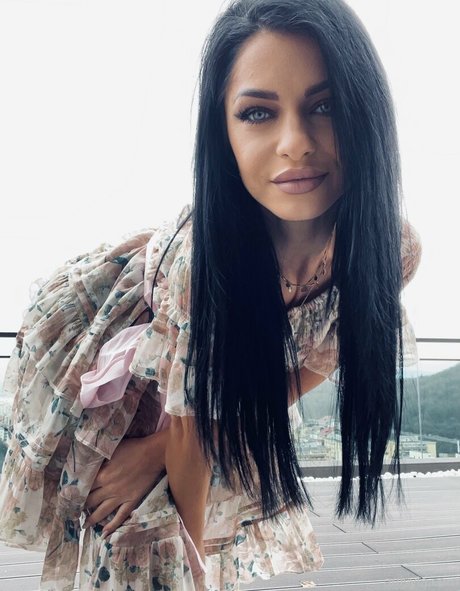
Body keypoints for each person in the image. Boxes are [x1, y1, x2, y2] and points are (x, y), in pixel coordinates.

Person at [0, 0, 422, 589]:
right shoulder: (202, 263)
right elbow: (188, 433)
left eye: (325, 106)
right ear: (222, 132)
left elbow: (322, 356)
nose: (295, 143)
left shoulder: (388, 248)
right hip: (120, 363)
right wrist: (190, 558)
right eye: (257, 113)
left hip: (213, 390)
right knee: (134, 533)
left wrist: (168, 447)